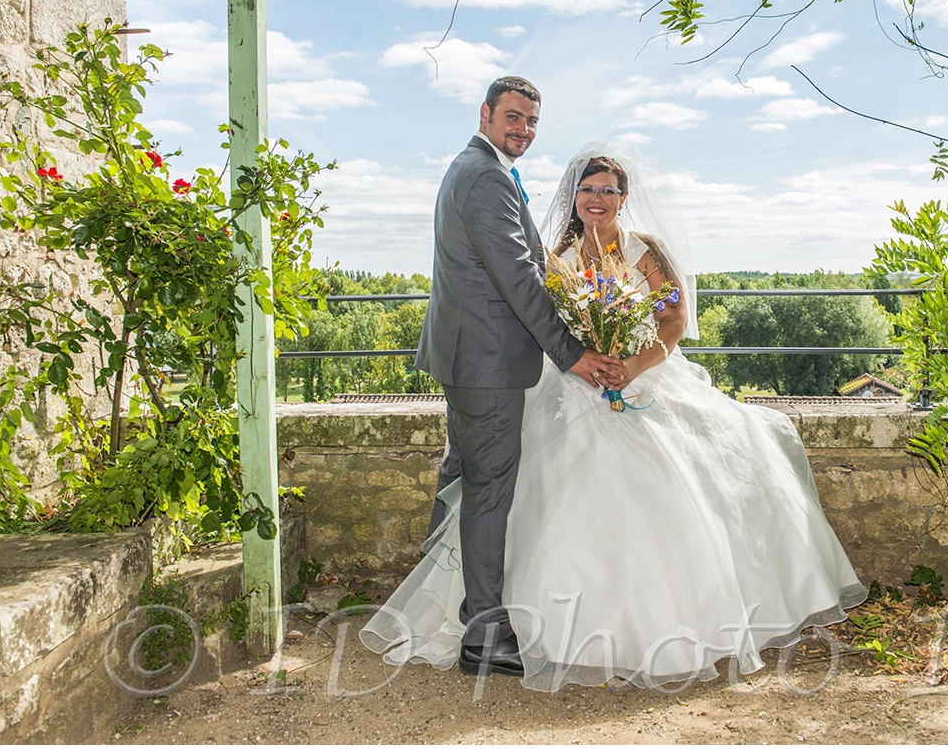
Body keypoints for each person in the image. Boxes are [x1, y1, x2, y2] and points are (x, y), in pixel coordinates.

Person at [369, 143, 867, 691]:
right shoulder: (555, 252)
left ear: (624, 198)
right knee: (515, 481)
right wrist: (586, 361)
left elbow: (674, 317)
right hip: (571, 383)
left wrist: (632, 365)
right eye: (588, 189)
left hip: (641, 376)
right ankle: (513, 621)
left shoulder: (644, 250)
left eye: (608, 190)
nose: (597, 199)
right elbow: (537, 315)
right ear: (574, 197)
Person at [412, 77, 625, 679]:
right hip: (486, 360)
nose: (522, 129)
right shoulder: (484, 176)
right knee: (488, 488)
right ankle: (483, 634)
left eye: (531, 121)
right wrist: (571, 352)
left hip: (473, 355)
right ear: (485, 113)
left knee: (464, 476)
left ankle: (436, 595)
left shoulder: (482, 168)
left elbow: (531, 264)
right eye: (512, 117)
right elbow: (518, 279)